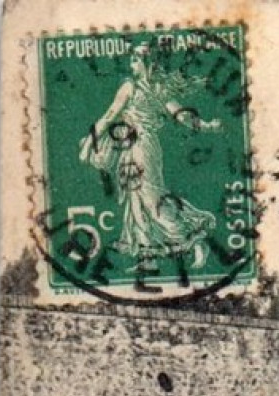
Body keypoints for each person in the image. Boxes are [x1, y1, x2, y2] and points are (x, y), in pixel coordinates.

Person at [82, 43, 222, 272]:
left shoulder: (153, 88)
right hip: (130, 147)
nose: (132, 63)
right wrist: (90, 140)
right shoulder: (133, 86)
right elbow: (109, 116)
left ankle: (194, 240)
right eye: (132, 59)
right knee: (133, 198)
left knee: (150, 197)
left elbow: (181, 115)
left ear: (148, 62)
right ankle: (147, 256)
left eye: (136, 59)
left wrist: (205, 126)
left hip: (144, 147)